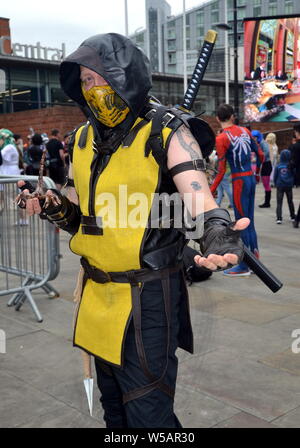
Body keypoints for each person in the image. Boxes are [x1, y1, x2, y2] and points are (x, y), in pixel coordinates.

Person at [16, 33, 249, 428]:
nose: (92, 88)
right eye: (85, 81)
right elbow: (82, 220)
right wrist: (53, 206)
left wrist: (218, 234)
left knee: (148, 415)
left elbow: (201, 203)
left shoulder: (168, 131)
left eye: (99, 76)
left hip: (148, 301)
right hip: (96, 299)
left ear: (124, 75)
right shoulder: (81, 141)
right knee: (115, 412)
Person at [211, 104, 264, 276]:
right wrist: (256, 174)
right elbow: (261, 155)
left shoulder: (221, 138)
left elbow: (220, 170)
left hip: (239, 181)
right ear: (232, 116)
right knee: (250, 222)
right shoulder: (245, 131)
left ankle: (245, 266)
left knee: (241, 224)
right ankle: (255, 261)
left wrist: (212, 188)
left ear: (218, 118)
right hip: (249, 179)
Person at [273, 149, 295, 224]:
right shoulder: (291, 165)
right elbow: (294, 174)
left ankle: (279, 218)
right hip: (289, 185)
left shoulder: (278, 166)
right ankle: (292, 216)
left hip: (280, 185)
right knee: (290, 201)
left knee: (279, 202)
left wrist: (275, 183)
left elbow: (275, 176)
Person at [251, 130, 272, 208]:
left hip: (266, 164)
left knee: (266, 184)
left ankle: (267, 203)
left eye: (254, 137)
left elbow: (266, 152)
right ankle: (267, 202)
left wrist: (259, 157)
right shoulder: (259, 143)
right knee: (265, 184)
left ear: (257, 137)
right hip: (264, 164)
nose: (253, 139)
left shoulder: (263, 143)